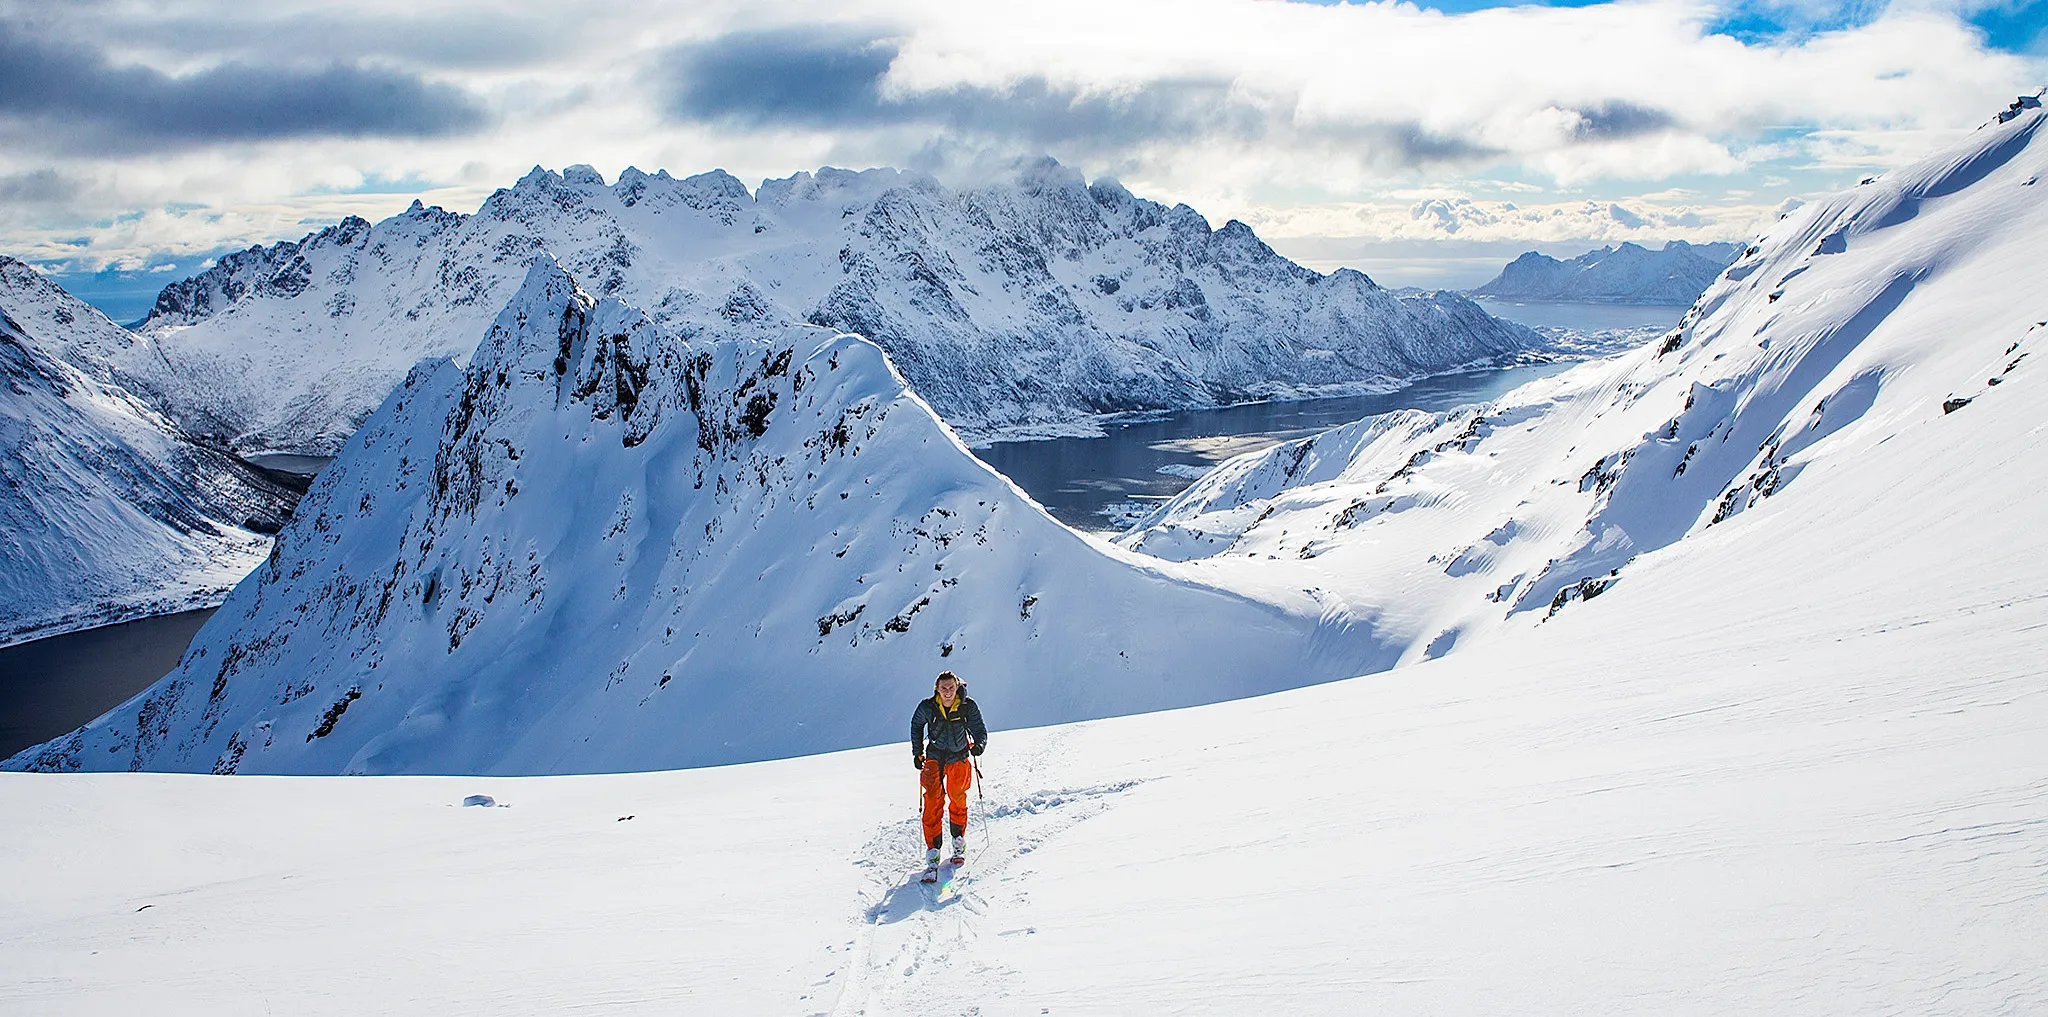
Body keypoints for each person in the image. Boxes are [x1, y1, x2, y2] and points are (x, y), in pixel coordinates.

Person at [910, 670, 987, 869]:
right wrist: (917, 752)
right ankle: (933, 850)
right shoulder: (928, 707)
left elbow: (979, 729)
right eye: (943, 688)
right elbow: (916, 724)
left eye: (951, 687)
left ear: (957, 686)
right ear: (937, 689)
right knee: (932, 802)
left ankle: (958, 841)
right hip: (934, 757)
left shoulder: (967, 706)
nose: (947, 692)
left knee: (958, 798)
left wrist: (979, 745)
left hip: (959, 756)